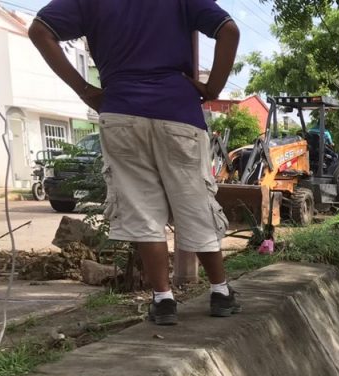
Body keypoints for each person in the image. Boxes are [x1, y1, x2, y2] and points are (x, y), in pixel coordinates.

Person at [29, 0, 241, 326]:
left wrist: (85, 90)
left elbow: (40, 30)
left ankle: (163, 299)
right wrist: (212, 88)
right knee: (195, 203)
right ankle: (221, 292)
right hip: (178, 111)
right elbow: (229, 30)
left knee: (143, 210)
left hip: (121, 110)